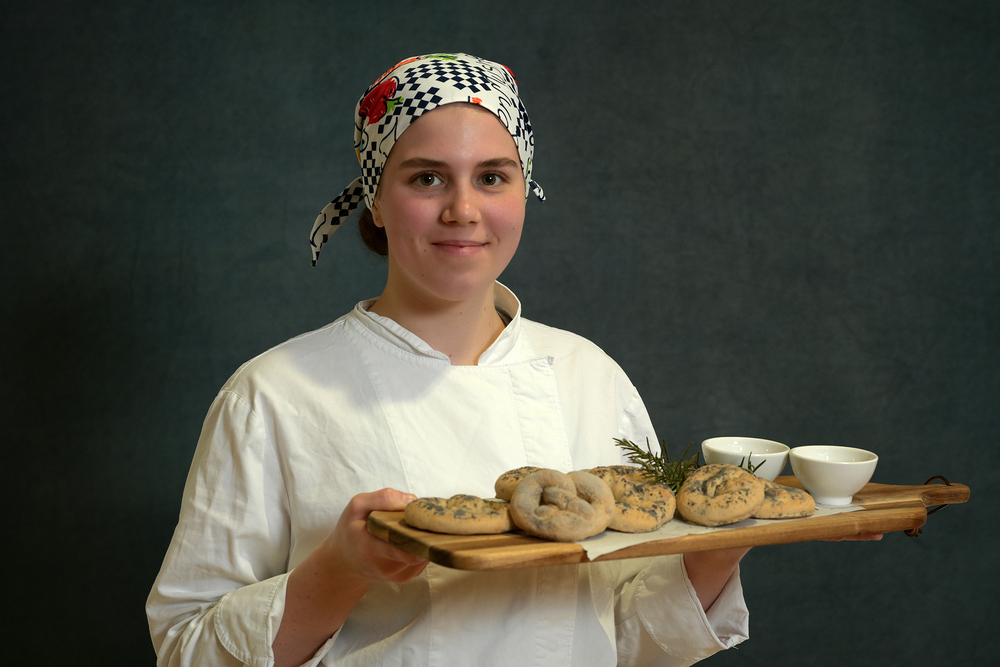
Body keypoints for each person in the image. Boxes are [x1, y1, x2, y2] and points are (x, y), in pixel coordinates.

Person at [146, 53, 751, 667]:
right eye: (427, 178)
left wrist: (723, 546)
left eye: (492, 177)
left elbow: (622, 642)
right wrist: (340, 569)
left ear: (523, 191)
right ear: (375, 201)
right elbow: (184, 648)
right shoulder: (273, 394)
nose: (463, 210)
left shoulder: (588, 374)